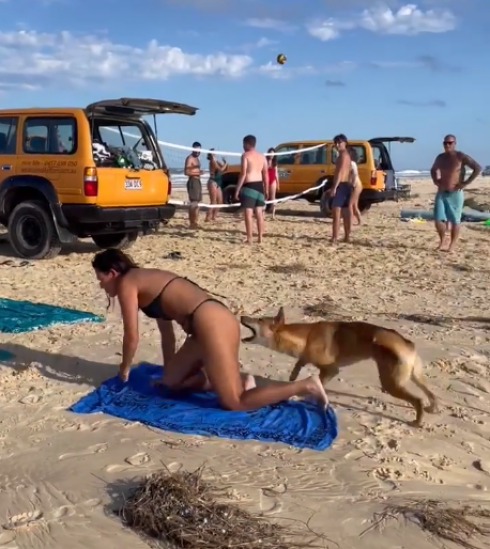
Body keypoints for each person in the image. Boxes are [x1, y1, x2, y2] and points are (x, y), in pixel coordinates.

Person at [91, 249, 329, 411]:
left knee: (235, 402)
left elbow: (132, 336)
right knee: (170, 384)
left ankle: (305, 385)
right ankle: (236, 379)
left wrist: (124, 370)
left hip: (212, 324)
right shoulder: (144, 279)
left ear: (112, 273)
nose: (101, 284)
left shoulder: (126, 283)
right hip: (205, 325)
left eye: (100, 279)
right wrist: (169, 373)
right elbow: (167, 335)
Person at [430, 134, 481, 252]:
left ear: (454, 143)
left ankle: (452, 245)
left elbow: (477, 168)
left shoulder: (460, 156)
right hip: (441, 192)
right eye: (445, 143)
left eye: (450, 143)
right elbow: (433, 170)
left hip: (455, 193)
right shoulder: (440, 157)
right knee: (438, 219)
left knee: (455, 220)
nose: (447, 145)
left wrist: (465, 183)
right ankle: (442, 240)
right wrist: (435, 180)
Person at [234, 134, 268, 244]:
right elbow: (266, 174)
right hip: (260, 186)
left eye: (243, 144)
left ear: (247, 144)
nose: (242, 146)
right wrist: (266, 189)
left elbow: (243, 174)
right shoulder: (262, 157)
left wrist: (237, 189)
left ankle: (249, 238)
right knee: (259, 213)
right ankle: (260, 237)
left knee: (248, 213)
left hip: (250, 186)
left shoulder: (245, 155)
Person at [328, 134, 352, 244]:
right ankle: (347, 236)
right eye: (336, 143)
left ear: (345, 143)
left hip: (342, 185)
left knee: (336, 213)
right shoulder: (347, 155)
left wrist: (334, 187)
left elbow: (340, 172)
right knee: (346, 212)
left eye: (339, 142)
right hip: (346, 185)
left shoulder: (343, 156)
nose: (337, 145)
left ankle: (334, 238)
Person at [205, 149, 228, 222]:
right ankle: (208, 217)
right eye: (214, 153)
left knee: (220, 201)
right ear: (211, 154)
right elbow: (221, 169)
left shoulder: (216, 161)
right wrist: (225, 164)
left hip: (218, 182)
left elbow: (225, 169)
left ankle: (214, 216)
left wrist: (225, 163)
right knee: (213, 201)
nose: (215, 154)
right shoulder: (212, 161)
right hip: (212, 182)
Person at [184, 142, 203, 229]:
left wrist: (199, 173)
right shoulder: (190, 158)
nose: (197, 152)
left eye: (199, 150)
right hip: (192, 181)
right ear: (193, 149)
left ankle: (195, 221)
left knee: (198, 202)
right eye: (196, 150)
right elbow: (186, 172)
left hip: (198, 181)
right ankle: (192, 223)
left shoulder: (197, 159)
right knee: (194, 203)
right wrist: (198, 172)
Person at [348, 147, 362, 226]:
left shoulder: (351, 163)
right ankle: (359, 222)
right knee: (354, 205)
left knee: (350, 204)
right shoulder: (351, 163)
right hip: (356, 184)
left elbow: (354, 174)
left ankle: (351, 221)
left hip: (356, 185)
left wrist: (352, 185)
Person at [266, 147, 280, 219]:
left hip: (272, 180)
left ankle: (273, 215)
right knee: (265, 197)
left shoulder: (274, 163)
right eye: (270, 153)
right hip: (266, 180)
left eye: (273, 154)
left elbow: (276, 173)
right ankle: (262, 213)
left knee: (273, 198)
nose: (271, 155)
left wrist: (278, 184)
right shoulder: (265, 161)